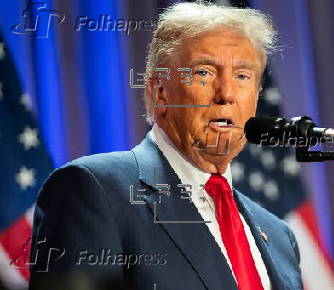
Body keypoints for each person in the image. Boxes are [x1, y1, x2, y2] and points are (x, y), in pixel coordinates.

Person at [30, 2, 303, 290]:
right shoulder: (93, 191)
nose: (227, 93)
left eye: (242, 76)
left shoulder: (279, 236)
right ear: (160, 93)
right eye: (204, 73)